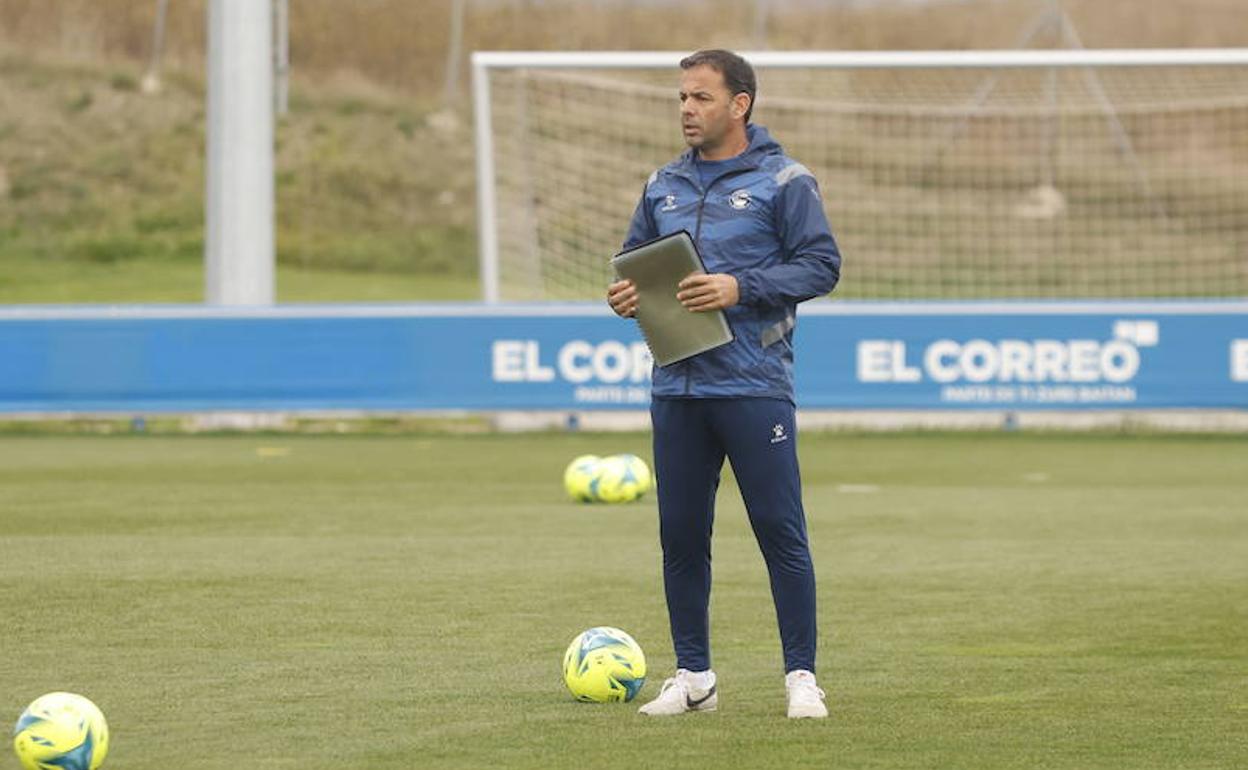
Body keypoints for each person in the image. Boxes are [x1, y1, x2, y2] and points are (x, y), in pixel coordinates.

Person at [607, 49, 842, 719]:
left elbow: (822, 266)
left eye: (701, 97)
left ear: (739, 105)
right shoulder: (661, 184)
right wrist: (624, 296)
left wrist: (742, 288)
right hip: (676, 388)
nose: (686, 108)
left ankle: (801, 677)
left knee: (779, 531)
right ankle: (693, 678)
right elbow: (633, 265)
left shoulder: (785, 180)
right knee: (681, 535)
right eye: (682, 96)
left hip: (754, 384)